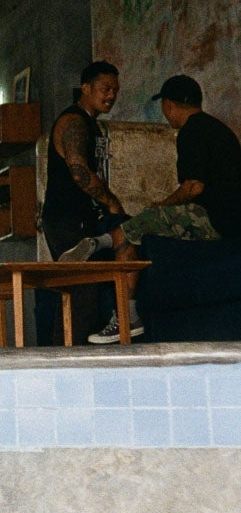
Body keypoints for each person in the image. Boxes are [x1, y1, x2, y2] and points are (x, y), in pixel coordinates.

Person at [89, 73, 241, 343]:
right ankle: (103, 241)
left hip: (214, 219)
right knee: (143, 224)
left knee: (132, 227)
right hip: (233, 221)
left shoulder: (191, 131)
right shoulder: (220, 130)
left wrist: (162, 204)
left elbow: (193, 187)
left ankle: (127, 315)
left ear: (168, 105)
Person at [38, 58, 126, 343]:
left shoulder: (90, 124)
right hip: (67, 220)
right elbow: (78, 171)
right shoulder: (74, 121)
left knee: (85, 293)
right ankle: (69, 364)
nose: (111, 95)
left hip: (81, 219)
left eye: (115, 90)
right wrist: (111, 202)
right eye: (105, 88)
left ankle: (64, 359)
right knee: (83, 293)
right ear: (85, 88)